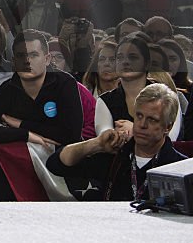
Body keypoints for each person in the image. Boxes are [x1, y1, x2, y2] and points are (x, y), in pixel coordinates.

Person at [47, 84, 187, 200]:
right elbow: (56, 164)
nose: (142, 124)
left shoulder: (180, 168)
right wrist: (96, 144)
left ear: (167, 127)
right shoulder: (116, 156)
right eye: (139, 116)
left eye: (152, 119)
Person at [0, 31, 83, 148]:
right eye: (21, 56)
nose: (27, 61)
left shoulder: (64, 83)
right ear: (14, 62)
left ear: (47, 59)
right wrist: (25, 134)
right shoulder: (8, 89)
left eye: (33, 55)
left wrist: (19, 124)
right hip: (21, 156)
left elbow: (71, 135)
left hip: (63, 157)